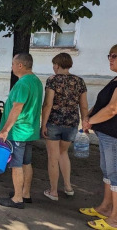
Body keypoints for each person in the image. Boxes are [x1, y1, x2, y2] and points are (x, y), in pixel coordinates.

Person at [0, 53, 43, 209]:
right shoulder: (36, 81)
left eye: (12, 64)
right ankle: (25, 194)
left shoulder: (23, 83)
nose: (11, 67)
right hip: (29, 130)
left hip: (18, 131)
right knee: (26, 162)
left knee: (16, 165)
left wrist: (4, 130)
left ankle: (17, 199)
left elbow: (17, 108)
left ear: (20, 66)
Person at [41, 53, 88, 201]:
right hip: (72, 123)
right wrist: (84, 121)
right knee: (63, 153)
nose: (53, 67)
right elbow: (84, 105)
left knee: (52, 157)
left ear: (57, 65)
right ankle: (68, 187)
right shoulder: (80, 81)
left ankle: (53, 191)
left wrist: (43, 123)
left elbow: (48, 104)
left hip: (54, 122)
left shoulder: (52, 80)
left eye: (54, 64)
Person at [80, 45, 117, 229]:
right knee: (107, 171)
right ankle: (105, 207)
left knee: (115, 174)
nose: (110, 59)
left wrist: (90, 121)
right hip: (106, 134)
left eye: (114, 56)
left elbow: (112, 109)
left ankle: (114, 219)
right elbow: (102, 104)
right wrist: (89, 118)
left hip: (114, 135)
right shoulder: (115, 79)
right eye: (109, 55)